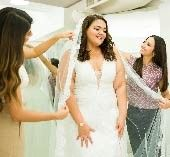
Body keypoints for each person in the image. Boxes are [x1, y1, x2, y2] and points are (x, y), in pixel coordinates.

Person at [55, 14, 127, 157]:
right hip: (82, 117)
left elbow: (120, 86)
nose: (102, 33)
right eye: (97, 28)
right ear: (85, 30)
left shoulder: (113, 55)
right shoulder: (70, 56)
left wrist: (122, 116)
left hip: (109, 119)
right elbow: (67, 91)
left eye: (104, 30)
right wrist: (81, 124)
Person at [0, 8, 69, 157]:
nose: (31, 35)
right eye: (27, 32)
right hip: (6, 129)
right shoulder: (7, 65)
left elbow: (35, 52)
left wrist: (57, 37)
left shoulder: (8, 52)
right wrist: (55, 115)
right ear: (13, 34)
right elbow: (17, 114)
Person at [122, 35, 170, 156]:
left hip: (151, 115)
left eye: (148, 44)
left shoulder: (158, 71)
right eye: (144, 42)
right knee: (137, 149)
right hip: (132, 114)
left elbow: (166, 94)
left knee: (153, 149)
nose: (143, 45)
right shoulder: (131, 61)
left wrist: (168, 103)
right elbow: (114, 49)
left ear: (155, 52)